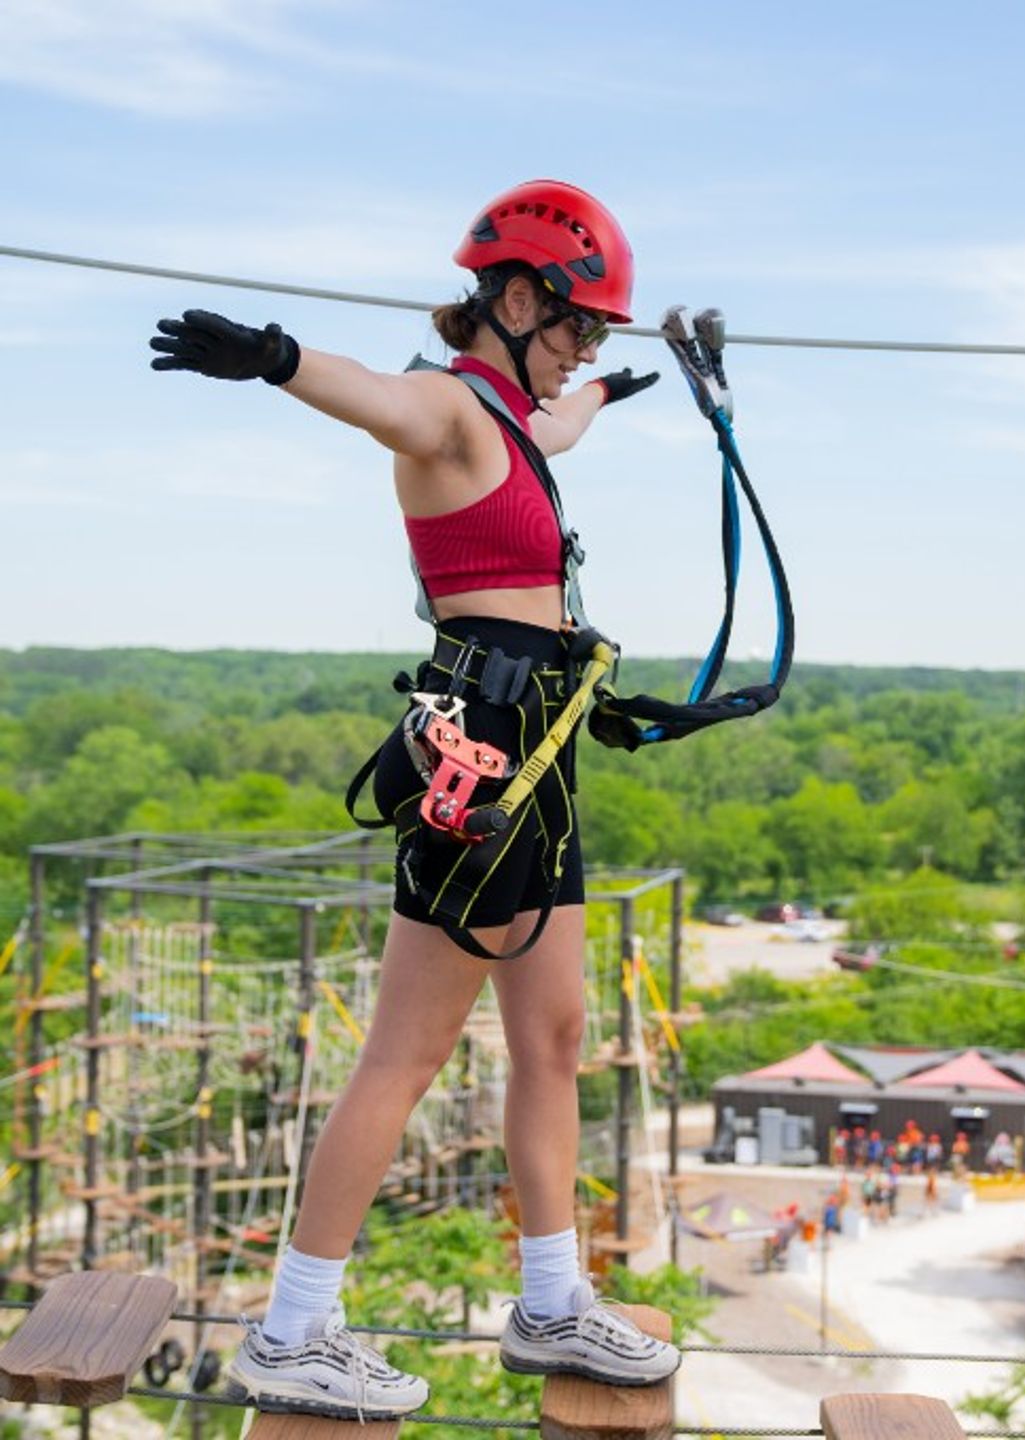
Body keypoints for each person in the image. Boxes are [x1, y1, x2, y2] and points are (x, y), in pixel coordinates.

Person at [150, 180, 677, 1416]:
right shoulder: (446, 407)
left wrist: (613, 389)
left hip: (539, 758)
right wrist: (276, 359)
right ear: (511, 300)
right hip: (477, 758)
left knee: (554, 1037)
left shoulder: (515, 417)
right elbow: (381, 399)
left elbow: (557, 434)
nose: (582, 356)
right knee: (410, 1050)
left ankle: (552, 1303)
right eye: (576, 332)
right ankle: (292, 1328)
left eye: (597, 338)